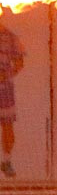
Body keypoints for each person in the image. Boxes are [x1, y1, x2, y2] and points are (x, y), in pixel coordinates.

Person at [0, 11, 23, 177]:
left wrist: (7, 74)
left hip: (5, 89)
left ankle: (6, 161)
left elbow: (20, 61)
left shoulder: (10, 36)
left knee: (7, 125)